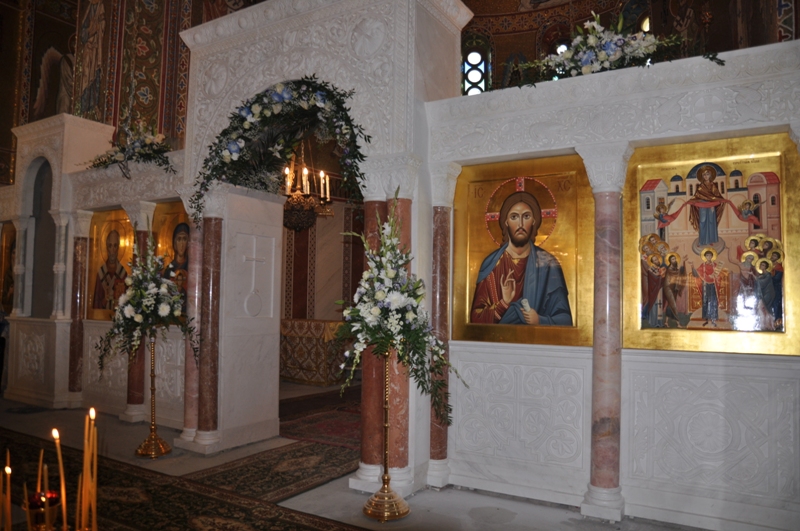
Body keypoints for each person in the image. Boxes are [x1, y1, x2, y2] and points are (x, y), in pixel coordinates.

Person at [470, 191, 572, 326]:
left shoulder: (548, 265)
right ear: (506, 222)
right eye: (514, 217)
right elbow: (476, 318)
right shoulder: (491, 265)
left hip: (537, 339)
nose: (520, 224)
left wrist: (540, 320)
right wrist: (503, 303)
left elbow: (565, 319)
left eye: (526, 216)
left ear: (534, 220)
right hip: (498, 339)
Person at [689, 165, 725, 246]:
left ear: (710, 175)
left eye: (707, 174)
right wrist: (691, 201)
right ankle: (702, 241)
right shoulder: (701, 186)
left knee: (711, 222)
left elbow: (717, 196)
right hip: (702, 206)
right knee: (702, 222)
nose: (706, 176)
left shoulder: (713, 185)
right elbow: (696, 196)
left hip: (711, 206)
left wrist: (713, 203)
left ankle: (711, 240)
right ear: (702, 176)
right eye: (704, 175)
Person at [92, 230, 128, 310]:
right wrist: (105, 300)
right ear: (106, 247)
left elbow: (127, 302)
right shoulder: (101, 273)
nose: (112, 250)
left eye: (115, 246)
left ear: (118, 247)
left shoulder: (122, 273)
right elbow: (96, 304)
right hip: (102, 316)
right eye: (110, 246)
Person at [692, 248, 722, 327]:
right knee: (705, 301)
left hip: (713, 285)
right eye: (707, 255)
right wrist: (692, 266)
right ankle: (706, 319)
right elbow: (696, 274)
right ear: (705, 257)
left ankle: (713, 320)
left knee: (713, 301)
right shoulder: (703, 265)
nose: (709, 257)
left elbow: (719, 276)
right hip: (705, 285)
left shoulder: (715, 265)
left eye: (710, 255)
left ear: (712, 256)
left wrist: (715, 277)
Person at [163, 223, 189, 311]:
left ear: (188, 243)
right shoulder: (169, 270)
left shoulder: (191, 268)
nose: (181, 244)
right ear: (174, 243)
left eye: (184, 239)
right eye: (179, 239)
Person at [662, 253, 686, 328]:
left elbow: (680, 273)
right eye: (672, 259)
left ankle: (666, 322)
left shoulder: (676, 269)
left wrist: (683, 262)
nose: (674, 260)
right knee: (673, 305)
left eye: (675, 259)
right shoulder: (669, 269)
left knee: (670, 305)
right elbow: (675, 275)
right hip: (668, 288)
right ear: (670, 261)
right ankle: (678, 323)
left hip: (674, 288)